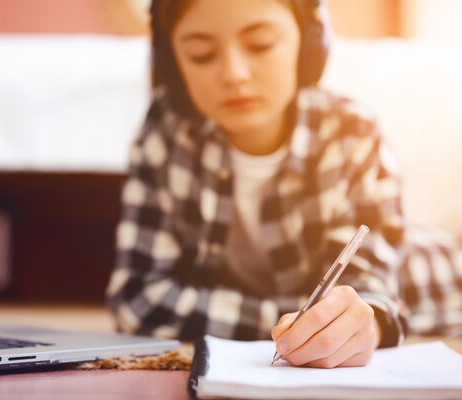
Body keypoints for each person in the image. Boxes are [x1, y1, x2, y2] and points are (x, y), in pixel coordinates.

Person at [106, 0, 462, 368]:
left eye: (260, 45)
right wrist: (294, 321)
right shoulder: (165, 133)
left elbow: (372, 291)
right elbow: (139, 302)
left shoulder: (350, 131)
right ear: (172, 64)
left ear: (310, 44)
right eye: (201, 54)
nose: (234, 74)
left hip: (438, 284)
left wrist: (363, 319)